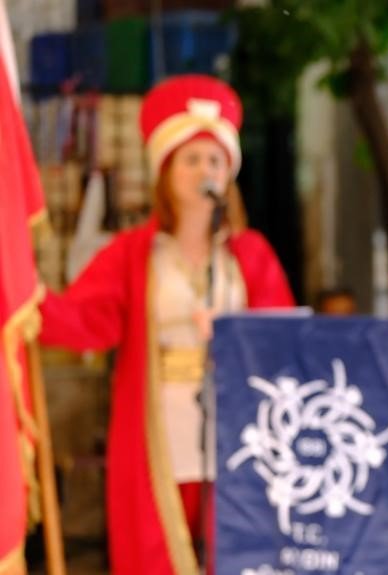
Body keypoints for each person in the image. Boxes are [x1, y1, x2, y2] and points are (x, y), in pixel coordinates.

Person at [38, 75, 295, 575]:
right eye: (192, 158)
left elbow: (285, 340)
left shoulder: (250, 255)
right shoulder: (133, 255)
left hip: (238, 433)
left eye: (216, 160)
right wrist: (26, 296)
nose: (206, 170)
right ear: (166, 170)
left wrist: (235, 333)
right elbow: (84, 322)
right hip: (160, 432)